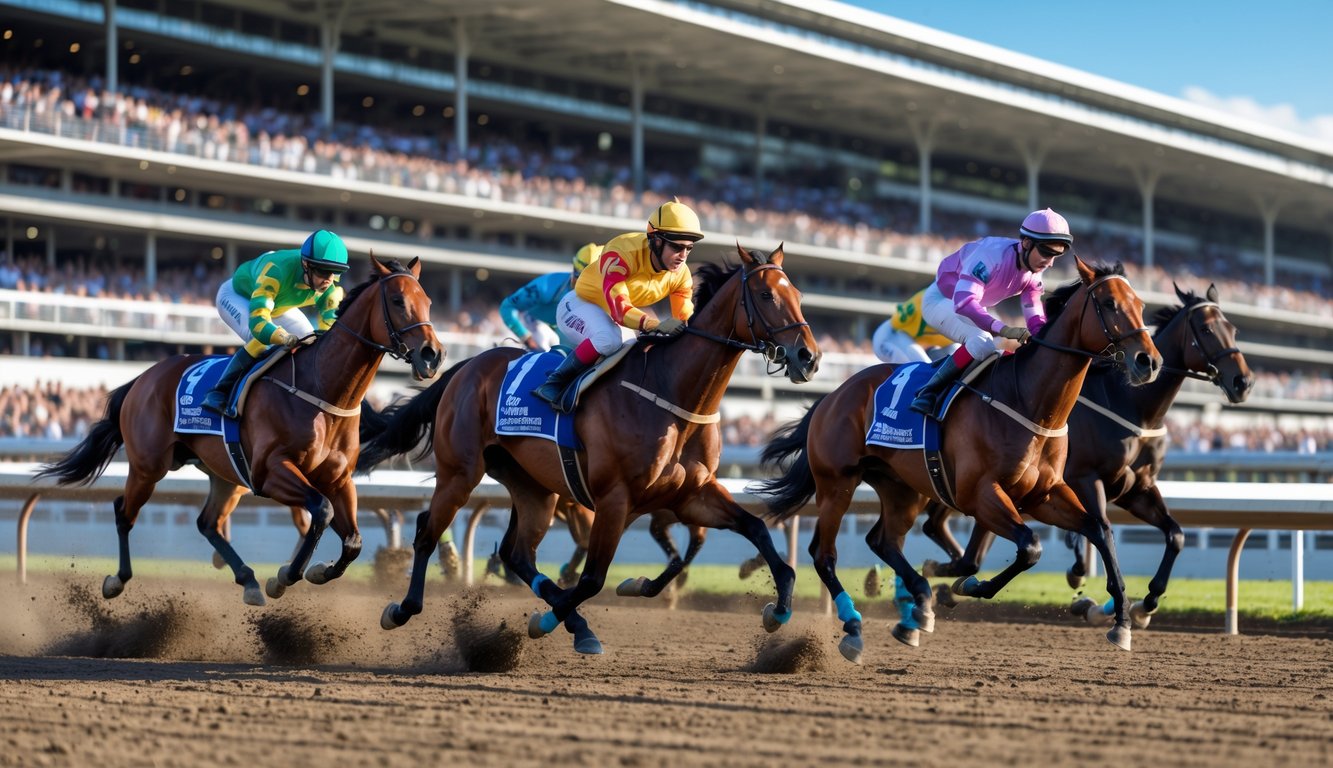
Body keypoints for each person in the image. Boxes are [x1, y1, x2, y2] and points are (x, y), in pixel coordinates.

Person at [532, 199, 703, 411]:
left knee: (635, 352)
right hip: (578, 305)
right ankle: (555, 382)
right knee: (608, 340)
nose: (683, 257)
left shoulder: (681, 275)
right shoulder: (622, 252)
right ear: (657, 241)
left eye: (689, 248)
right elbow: (620, 308)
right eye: (677, 247)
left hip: (611, 315)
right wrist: (653, 325)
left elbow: (684, 317)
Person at [909, 208, 1073, 416]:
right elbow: (964, 302)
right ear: (1026, 243)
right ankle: (928, 392)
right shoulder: (990, 255)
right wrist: (1003, 329)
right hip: (942, 301)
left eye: (1056, 256)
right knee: (981, 342)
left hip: (972, 308)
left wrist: (1044, 340)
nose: (1049, 262)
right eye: (1046, 252)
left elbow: (1034, 317)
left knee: (997, 351)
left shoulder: (1034, 275)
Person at [201, 229, 350, 417]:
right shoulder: (276, 271)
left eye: (335, 272)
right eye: (322, 271)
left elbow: (330, 329)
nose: (328, 279)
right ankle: (219, 392)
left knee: (310, 340)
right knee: (265, 343)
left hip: (278, 306)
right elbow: (258, 323)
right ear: (306, 264)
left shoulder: (329, 286)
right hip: (238, 296)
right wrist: (283, 337)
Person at [499, 242, 602, 352]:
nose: (580, 282)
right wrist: (526, 337)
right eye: (578, 274)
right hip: (536, 324)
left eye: (590, 280)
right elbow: (507, 307)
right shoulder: (548, 285)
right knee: (549, 346)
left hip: (563, 330)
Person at [871, 287, 958, 365]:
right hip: (890, 336)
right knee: (924, 365)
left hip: (916, 341)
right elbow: (896, 324)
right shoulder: (920, 303)